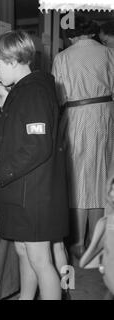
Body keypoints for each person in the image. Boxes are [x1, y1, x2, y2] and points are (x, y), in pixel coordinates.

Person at [0, 30, 69, 300]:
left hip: (34, 194)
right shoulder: (25, 90)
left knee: (41, 261)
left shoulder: (35, 92)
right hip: (23, 191)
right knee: (23, 252)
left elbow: (37, 146)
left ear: (14, 60)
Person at [52, 16, 114, 260]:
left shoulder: (63, 58)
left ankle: (77, 242)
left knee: (77, 179)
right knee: (102, 177)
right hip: (105, 118)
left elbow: (58, 95)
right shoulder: (109, 53)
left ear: (69, 34)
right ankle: (94, 242)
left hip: (76, 117)